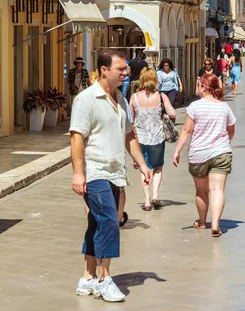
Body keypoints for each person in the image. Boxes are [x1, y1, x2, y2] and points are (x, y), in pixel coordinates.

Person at [70, 49, 152, 302]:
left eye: (126, 69)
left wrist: (143, 164)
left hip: (116, 172)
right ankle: (105, 279)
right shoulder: (86, 99)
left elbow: (129, 135)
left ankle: (87, 277)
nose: (126, 73)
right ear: (104, 70)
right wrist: (78, 173)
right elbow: (76, 137)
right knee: (109, 222)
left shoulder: (120, 99)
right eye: (121, 69)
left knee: (96, 223)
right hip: (95, 172)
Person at [173, 74, 236, 237]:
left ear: (204, 87)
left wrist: (177, 150)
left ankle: (202, 222)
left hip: (198, 154)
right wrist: (223, 143)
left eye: (199, 85)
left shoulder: (194, 107)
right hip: (221, 152)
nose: (197, 89)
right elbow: (231, 130)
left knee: (201, 191)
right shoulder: (224, 107)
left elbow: (187, 130)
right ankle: (215, 224)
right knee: (217, 189)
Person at [130, 68, 176, 209]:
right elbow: (173, 113)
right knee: (157, 167)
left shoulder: (135, 97)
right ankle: (156, 195)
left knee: (144, 168)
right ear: (156, 80)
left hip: (140, 139)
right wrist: (165, 116)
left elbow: (131, 119)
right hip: (157, 137)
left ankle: (147, 201)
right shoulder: (161, 96)